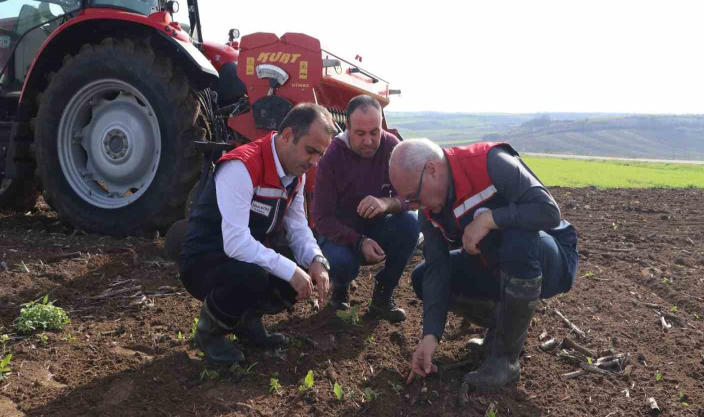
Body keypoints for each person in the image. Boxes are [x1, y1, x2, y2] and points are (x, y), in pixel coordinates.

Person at [389, 138, 579, 389]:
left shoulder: (489, 162)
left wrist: (490, 219)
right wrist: (430, 336)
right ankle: (501, 330)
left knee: (516, 238)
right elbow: (437, 268)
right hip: (495, 264)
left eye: (414, 197)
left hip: (552, 257)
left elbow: (548, 211)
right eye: (409, 201)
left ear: (432, 170)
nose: (415, 206)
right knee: (422, 276)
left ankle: (505, 360)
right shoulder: (428, 212)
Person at [179, 103, 337, 365]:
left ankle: (246, 322)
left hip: (244, 258)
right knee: (255, 275)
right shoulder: (242, 166)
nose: (314, 163)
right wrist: (289, 270)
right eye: (310, 151)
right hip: (205, 260)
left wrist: (316, 260)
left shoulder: (295, 176)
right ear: (287, 135)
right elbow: (236, 243)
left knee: (296, 269)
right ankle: (209, 332)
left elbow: (298, 227)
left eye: (319, 155)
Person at [313, 95, 419, 322]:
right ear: (347, 128)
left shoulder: (392, 147)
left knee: (411, 223)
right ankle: (340, 288)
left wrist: (386, 203)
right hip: (339, 234)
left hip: (377, 228)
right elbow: (321, 219)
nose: (369, 141)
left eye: (374, 132)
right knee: (342, 263)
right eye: (360, 133)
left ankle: (383, 295)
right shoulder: (331, 156)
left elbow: (413, 197)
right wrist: (359, 241)